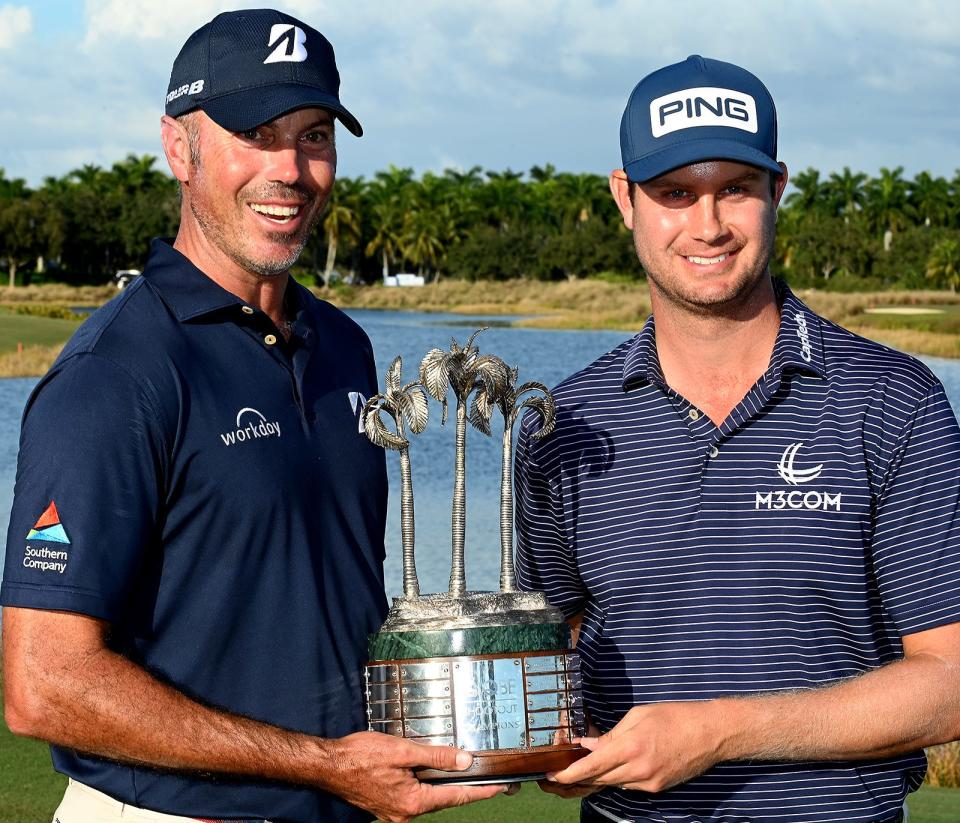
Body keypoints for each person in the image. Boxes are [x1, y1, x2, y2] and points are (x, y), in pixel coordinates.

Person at [1, 10, 505, 823]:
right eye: (257, 134)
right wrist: (322, 762)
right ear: (179, 147)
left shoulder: (343, 345)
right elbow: (43, 684)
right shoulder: (116, 372)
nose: (291, 169)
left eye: (313, 137)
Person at [515, 54, 960, 823]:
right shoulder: (560, 423)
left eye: (736, 190)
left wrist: (719, 730)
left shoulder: (894, 400)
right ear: (625, 198)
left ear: (777, 190)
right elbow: (555, 644)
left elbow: (951, 680)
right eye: (675, 193)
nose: (708, 225)